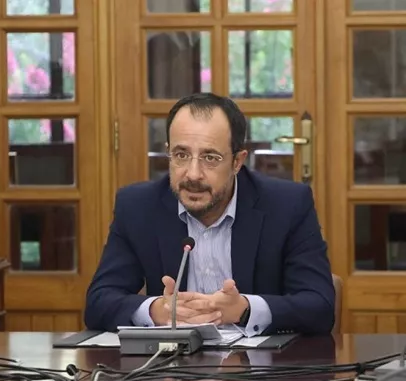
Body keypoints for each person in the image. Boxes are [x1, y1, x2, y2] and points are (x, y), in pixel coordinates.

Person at [85, 92, 335, 336]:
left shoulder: (287, 205)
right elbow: (99, 302)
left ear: (237, 162)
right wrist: (155, 311)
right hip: (170, 362)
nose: (193, 174)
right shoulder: (138, 207)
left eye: (210, 158)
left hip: (259, 362)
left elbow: (319, 306)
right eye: (181, 155)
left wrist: (245, 309)